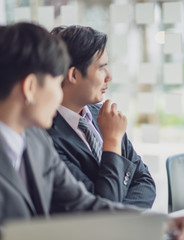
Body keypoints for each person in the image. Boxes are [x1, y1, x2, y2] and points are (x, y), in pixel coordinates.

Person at [0, 22, 184, 240]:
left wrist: (164, 224)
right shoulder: (47, 136)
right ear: (30, 87)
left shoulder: (35, 140)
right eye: (56, 82)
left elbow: (84, 205)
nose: (60, 94)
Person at [47, 25, 155, 208]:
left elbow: (145, 182)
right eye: (102, 67)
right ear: (73, 74)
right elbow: (100, 209)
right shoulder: (47, 136)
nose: (109, 76)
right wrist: (112, 142)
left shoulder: (103, 116)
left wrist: (117, 216)